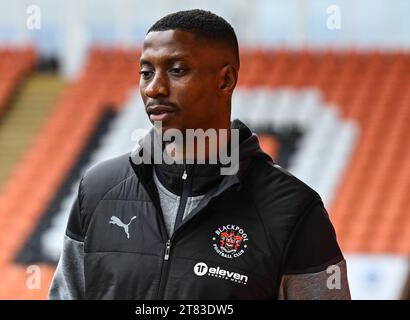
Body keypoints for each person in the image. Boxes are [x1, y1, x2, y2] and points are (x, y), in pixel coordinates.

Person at [49, 9, 351, 300]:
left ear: (225, 80)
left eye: (177, 70)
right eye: (146, 72)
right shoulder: (98, 188)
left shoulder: (292, 209)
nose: (154, 88)